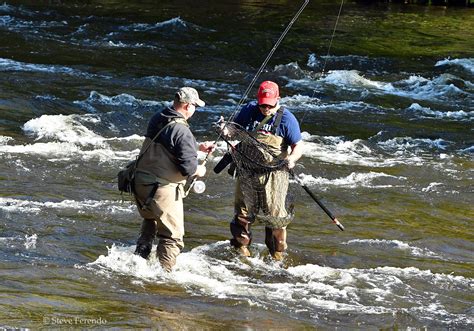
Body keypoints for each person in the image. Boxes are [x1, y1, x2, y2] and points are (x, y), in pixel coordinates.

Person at [133, 87, 215, 272]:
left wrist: (198, 147)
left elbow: (170, 142)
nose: (195, 109)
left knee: (151, 219)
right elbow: (188, 169)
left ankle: (139, 260)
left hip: (140, 183)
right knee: (172, 236)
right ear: (187, 106)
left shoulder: (159, 116)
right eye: (195, 105)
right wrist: (200, 170)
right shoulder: (182, 131)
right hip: (161, 189)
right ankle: (165, 277)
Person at [227, 81, 303, 260]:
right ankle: (242, 254)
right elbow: (233, 129)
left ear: (278, 99)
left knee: (275, 217)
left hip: (274, 175)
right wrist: (226, 130)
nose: (265, 108)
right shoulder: (249, 110)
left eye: (269, 105)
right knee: (243, 215)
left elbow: (298, 146)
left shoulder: (287, 119)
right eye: (262, 104)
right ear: (257, 100)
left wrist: (291, 159)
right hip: (247, 172)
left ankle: (277, 256)